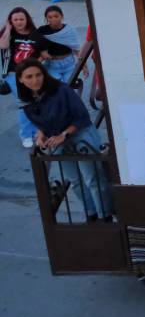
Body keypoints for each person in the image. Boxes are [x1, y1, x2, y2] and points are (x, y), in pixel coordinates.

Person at [16, 59, 112, 222]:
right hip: (56, 139)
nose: (35, 80)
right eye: (29, 77)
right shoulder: (26, 99)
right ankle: (91, 215)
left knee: (92, 178)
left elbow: (82, 117)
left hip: (80, 133)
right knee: (75, 180)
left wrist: (63, 134)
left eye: (38, 75)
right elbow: (40, 119)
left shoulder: (61, 90)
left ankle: (105, 216)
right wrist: (41, 133)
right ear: (20, 79)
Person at [1, 7, 50, 148]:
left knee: (35, 103)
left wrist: (37, 63)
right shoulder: (8, 35)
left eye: (21, 19)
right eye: (15, 19)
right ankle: (26, 134)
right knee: (25, 103)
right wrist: (8, 28)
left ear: (27, 19)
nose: (19, 22)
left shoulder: (36, 35)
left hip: (32, 75)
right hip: (13, 75)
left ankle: (37, 132)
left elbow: (43, 54)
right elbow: (3, 45)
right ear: (11, 21)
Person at [39, 6, 83, 85]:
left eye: (56, 16)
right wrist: (42, 52)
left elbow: (77, 49)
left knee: (69, 86)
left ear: (62, 16)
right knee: (57, 87)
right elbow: (34, 43)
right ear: (46, 18)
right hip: (52, 65)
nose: (53, 19)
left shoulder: (69, 30)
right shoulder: (42, 30)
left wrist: (84, 66)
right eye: (50, 17)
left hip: (69, 64)